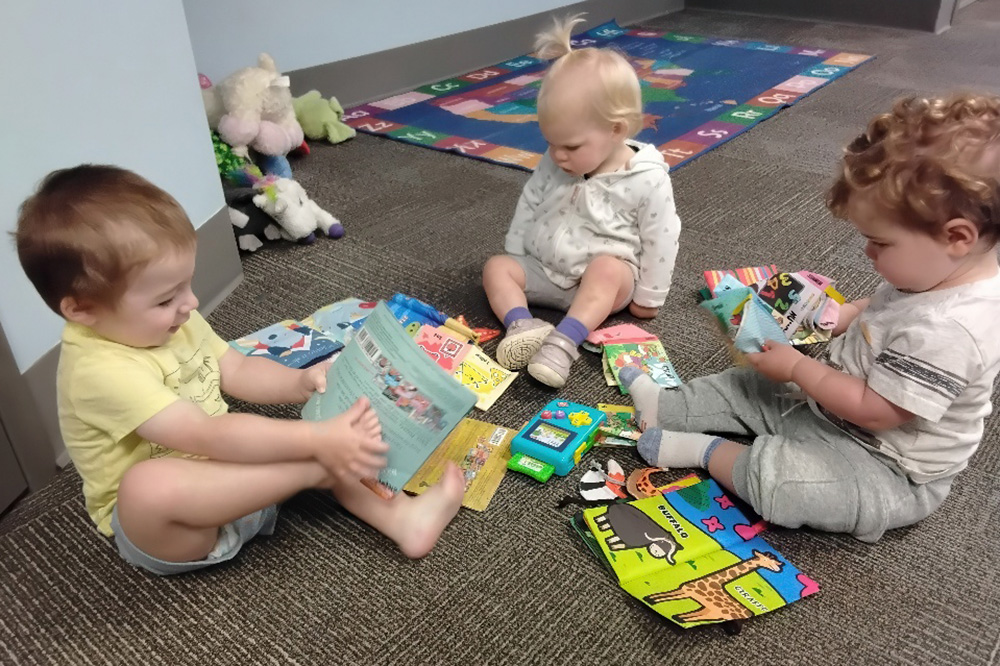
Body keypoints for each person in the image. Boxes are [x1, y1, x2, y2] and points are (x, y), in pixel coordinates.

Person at [14, 165, 465, 575]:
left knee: (325, 425)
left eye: (186, 286)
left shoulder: (177, 320)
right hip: (178, 528)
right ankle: (313, 470)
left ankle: (403, 519)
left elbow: (234, 368)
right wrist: (315, 448)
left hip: (240, 479)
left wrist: (299, 383)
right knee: (147, 486)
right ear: (82, 310)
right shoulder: (97, 371)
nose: (189, 304)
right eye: (165, 299)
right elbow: (203, 435)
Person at [620, 92, 1000, 542]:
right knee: (749, 385)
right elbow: (879, 308)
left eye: (881, 242)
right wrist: (841, 315)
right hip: (826, 407)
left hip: (883, 462)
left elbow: (876, 411)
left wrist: (800, 367)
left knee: (787, 485)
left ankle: (708, 452)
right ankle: (664, 406)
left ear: (957, 237)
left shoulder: (952, 329)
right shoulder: (934, 272)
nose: (867, 252)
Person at [482, 14, 681, 388]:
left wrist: (650, 296)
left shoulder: (646, 178)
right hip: (546, 269)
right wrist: (515, 251)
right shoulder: (557, 159)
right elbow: (531, 199)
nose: (557, 156)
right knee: (495, 267)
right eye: (550, 143)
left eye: (570, 145)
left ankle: (563, 342)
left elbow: (662, 237)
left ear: (615, 130)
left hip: (602, 283)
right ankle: (522, 326)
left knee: (607, 270)